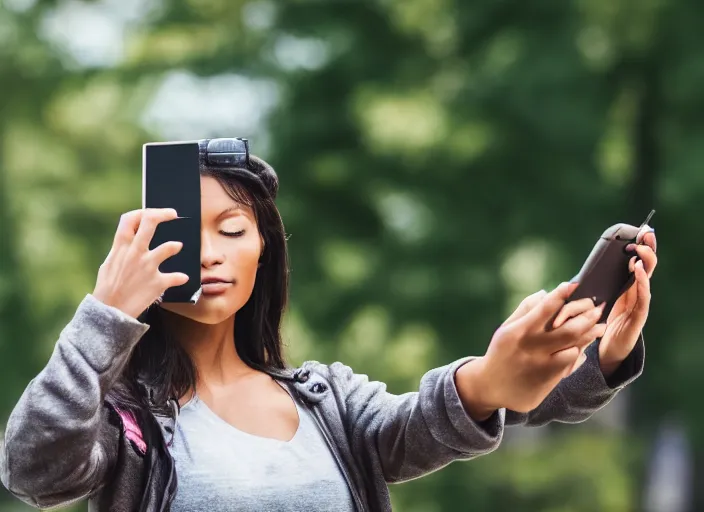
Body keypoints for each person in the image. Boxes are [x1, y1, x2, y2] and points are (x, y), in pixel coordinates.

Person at [0, 138, 657, 512]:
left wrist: (596, 358)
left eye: (231, 230)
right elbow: (33, 469)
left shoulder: (327, 402)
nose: (209, 252)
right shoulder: (127, 424)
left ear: (265, 251)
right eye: (183, 232)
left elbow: (450, 417)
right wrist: (106, 314)